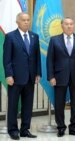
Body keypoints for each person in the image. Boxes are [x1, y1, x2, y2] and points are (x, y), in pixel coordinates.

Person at [47, 17, 75, 137]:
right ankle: (60, 127)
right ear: (62, 25)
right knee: (59, 104)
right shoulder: (54, 40)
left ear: (73, 25)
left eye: (71, 24)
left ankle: (74, 127)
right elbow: (50, 60)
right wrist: (51, 77)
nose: (69, 26)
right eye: (66, 24)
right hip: (59, 77)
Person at [3, 12, 41, 140]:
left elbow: (37, 58)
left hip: (30, 77)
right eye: (23, 20)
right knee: (13, 105)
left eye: (28, 20)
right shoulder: (10, 37)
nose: (26, 22)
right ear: (17, 22)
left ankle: (25, 129)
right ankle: (13, 130)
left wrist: (38, 73)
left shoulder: (35, 36)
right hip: (15, 78)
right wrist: (8, 75)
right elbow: (6, 58)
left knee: (28, 105)